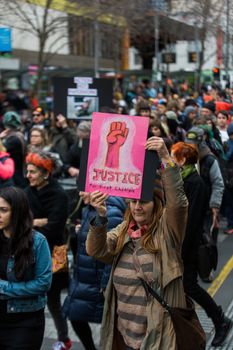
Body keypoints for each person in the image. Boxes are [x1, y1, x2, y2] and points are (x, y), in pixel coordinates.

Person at [86, 136, 189, 350]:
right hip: (125, 336)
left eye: (143, 201)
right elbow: (97, 250)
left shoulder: (167, 231)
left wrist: (165, 158)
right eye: (132, 201)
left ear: (157, 203)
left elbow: (178, 204)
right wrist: (100, 217)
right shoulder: (124, 230)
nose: (137, 207)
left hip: (159, 337)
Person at [171, 142, 232, 347]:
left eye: (174, 156)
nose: (171, 159)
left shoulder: (195, 183)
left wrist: (181, 249)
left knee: (190, 286)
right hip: (180, 244)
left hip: (188, 247)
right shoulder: (182, 178)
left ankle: (220, 320)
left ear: (182, 159)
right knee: (184, 288)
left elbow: (192, 221)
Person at [63, 191, 126, 350]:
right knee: (74, 315)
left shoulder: (112, 211)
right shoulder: (89, 209)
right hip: (85, 274)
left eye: (85, 189)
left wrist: (105, 283)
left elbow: (112, 250)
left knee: (111, 324)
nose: (80, 193)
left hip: (97, 278)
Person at [24, 150, 72, 350]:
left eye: (33, 172)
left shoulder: (58, 195)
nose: (28, 176)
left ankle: (64, 339)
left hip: (52, 255)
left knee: (53, 302)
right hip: (27, 254)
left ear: (46, 173)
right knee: (27, 300)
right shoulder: (27, 192)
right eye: (27, 171)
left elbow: (53, 229)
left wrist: (30, 223)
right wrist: (36, 222)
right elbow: (20, 221)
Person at [0, 186, 52, 350]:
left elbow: (43, 283)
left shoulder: (38, 242)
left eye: (3, 210)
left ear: (17, 212)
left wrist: (4, 287)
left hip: (25, 323)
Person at [0, 111, 27, 188]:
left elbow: (1, 150)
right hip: (16, 176)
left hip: (15, 178)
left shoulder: (13, 139)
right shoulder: (18, 136)